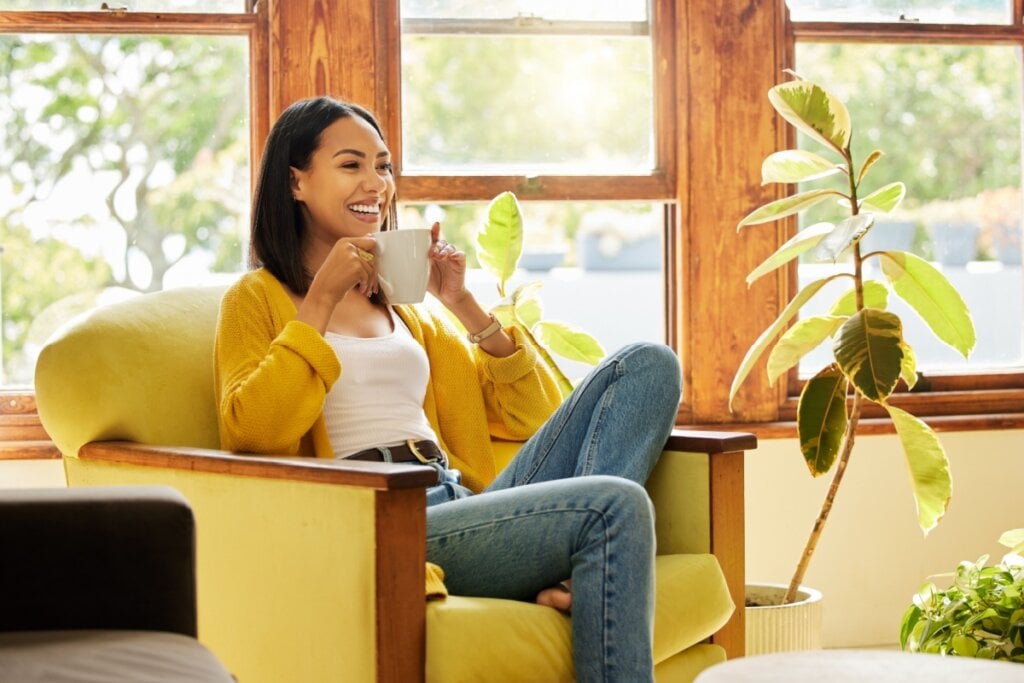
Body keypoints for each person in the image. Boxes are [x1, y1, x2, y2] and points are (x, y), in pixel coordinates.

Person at [214, 96, 682, 682]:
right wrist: (321, 300)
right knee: (614, 503)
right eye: (352, 164)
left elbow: (536, 418)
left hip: (462, 500)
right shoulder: (255, 301)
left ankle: (560, 569)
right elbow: (250, 430)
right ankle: (567, 569)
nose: (376, 183)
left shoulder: (412, 314)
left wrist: (460, 302)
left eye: (383, 166)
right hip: (389, 522)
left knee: (648, 364)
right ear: (296, 181)